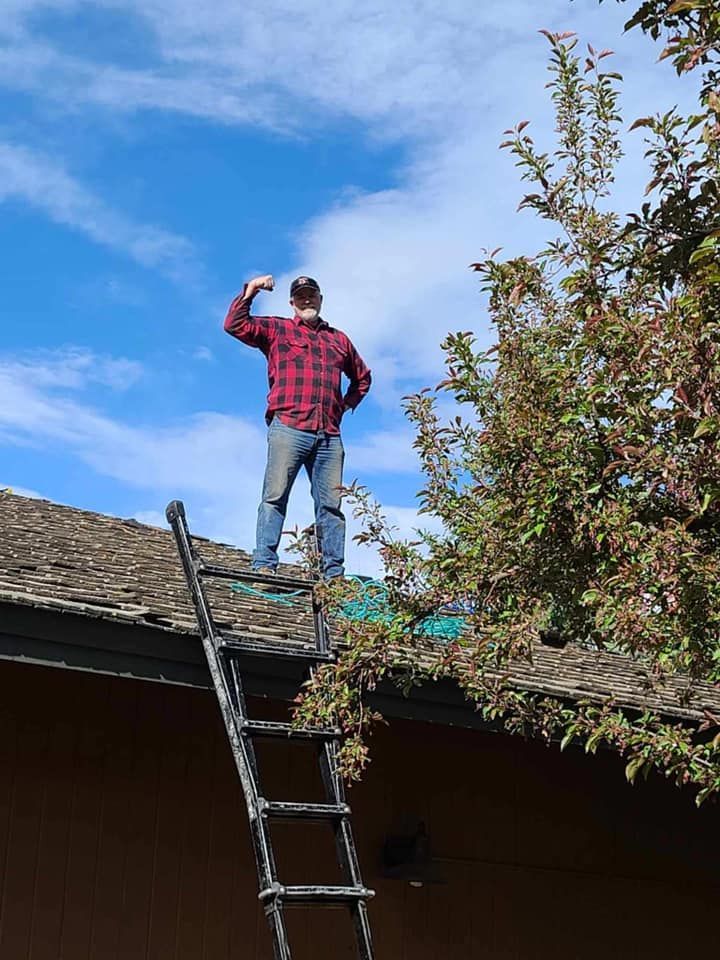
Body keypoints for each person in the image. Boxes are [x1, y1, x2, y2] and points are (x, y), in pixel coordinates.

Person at [224, 274, 371, 579]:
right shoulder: (277, 329)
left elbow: (362, 377)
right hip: (289, 427)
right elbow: (234, 325)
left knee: (331, 507)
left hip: (328, 436)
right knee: (275, 497)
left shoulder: (338, 339)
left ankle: (333, 576)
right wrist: (250, 291)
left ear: (320, 299)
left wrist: (344, 405)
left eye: (311, 295)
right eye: (301, 296)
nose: (307, 301)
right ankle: (264, 565)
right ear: (292, 302)